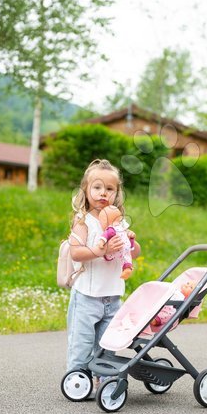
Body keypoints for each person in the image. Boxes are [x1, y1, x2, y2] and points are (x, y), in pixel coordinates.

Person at [66, 159, 141, 385]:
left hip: (112, 297)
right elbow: (76, 253)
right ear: (86, 190)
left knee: (108, 343)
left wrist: (132, 242)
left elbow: (135, 253)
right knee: (82, 342)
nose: (103, 193)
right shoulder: (84, 222)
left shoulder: (118, 223)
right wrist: (100, 251)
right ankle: (77, 379)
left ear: (116, 193)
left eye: (109, 189)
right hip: (87, 297)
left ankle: (104, 378)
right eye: (97, 187)